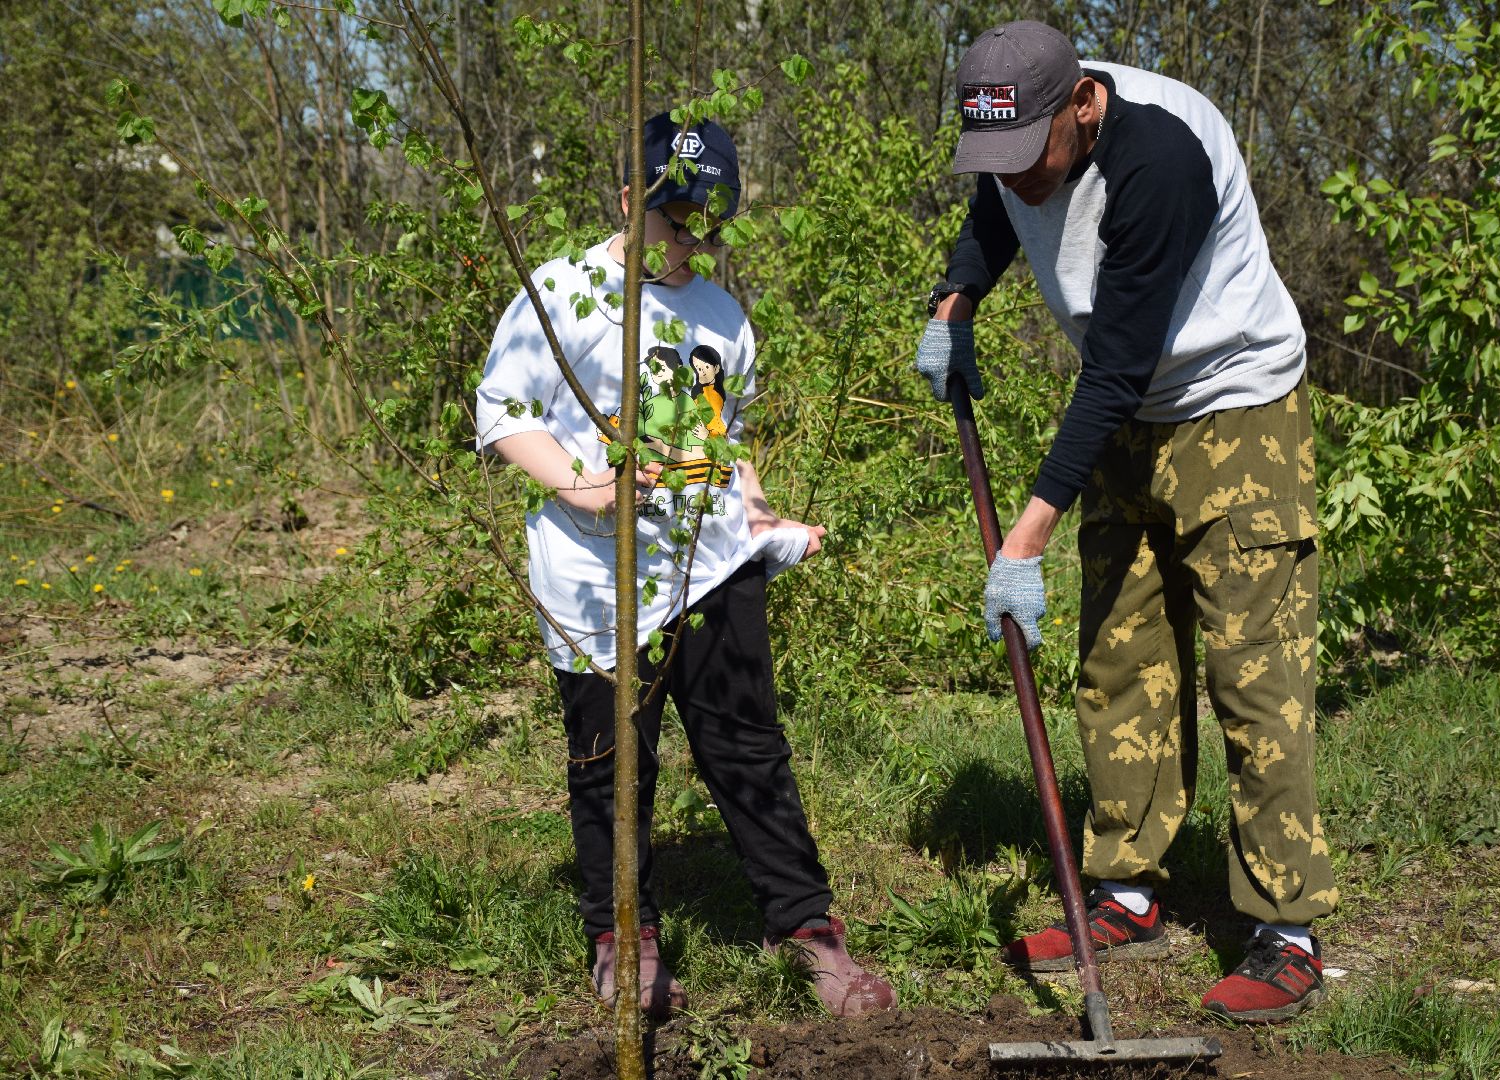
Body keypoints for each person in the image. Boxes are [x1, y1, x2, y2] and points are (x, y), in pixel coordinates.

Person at [914, 22, 1339, 1023]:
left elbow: (1117, 362)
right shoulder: (1017, 141)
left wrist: (1027, 534)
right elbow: (992, 205)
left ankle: (1288, 928)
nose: (1015, 177)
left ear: (1081, 105)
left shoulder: (1162, 155)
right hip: (1131, 416)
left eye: (1031, 155)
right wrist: (957, 296)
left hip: (1235, 407)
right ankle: (1127, 888)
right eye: (993, 155)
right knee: (1119, 655)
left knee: (1254, 672)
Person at [477, 111, 895, 1020]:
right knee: (612, 758)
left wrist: (760, 513)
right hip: (596, 578)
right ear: (634, 200)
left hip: (710, 568)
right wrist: (582, 484)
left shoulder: (720, 317)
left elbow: (725, 442)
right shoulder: (565, 292)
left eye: (709, 224)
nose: (693, 241)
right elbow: (504, 411)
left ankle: (809, 931)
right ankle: (624, 936)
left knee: (750, 749)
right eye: (677, 221)